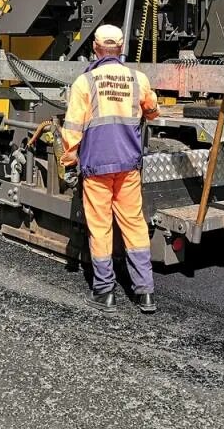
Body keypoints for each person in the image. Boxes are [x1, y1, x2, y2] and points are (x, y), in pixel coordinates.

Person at [59, 24, 160, 313]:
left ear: (95, 47)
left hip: (96, 168)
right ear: (121, 48)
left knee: (101, 227)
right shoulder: (137, 78)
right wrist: (148, 111)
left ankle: (105, 293)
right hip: (128, 166)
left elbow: (73, 128)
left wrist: (68, 162)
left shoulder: (84, 82)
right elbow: (152, 109)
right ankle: (145, 293)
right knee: (134, 224)